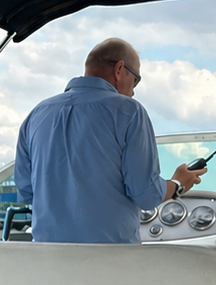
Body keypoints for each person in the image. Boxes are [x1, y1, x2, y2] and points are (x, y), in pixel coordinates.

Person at [14, 37, 205, 243]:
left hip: (46, 258)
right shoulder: (129, 112)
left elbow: (26, 189)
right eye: (136, 79)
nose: (133, 91)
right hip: (110, 260)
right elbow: (145, 194)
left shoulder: (36, 114)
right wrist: (178, 184)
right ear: (120, 69)